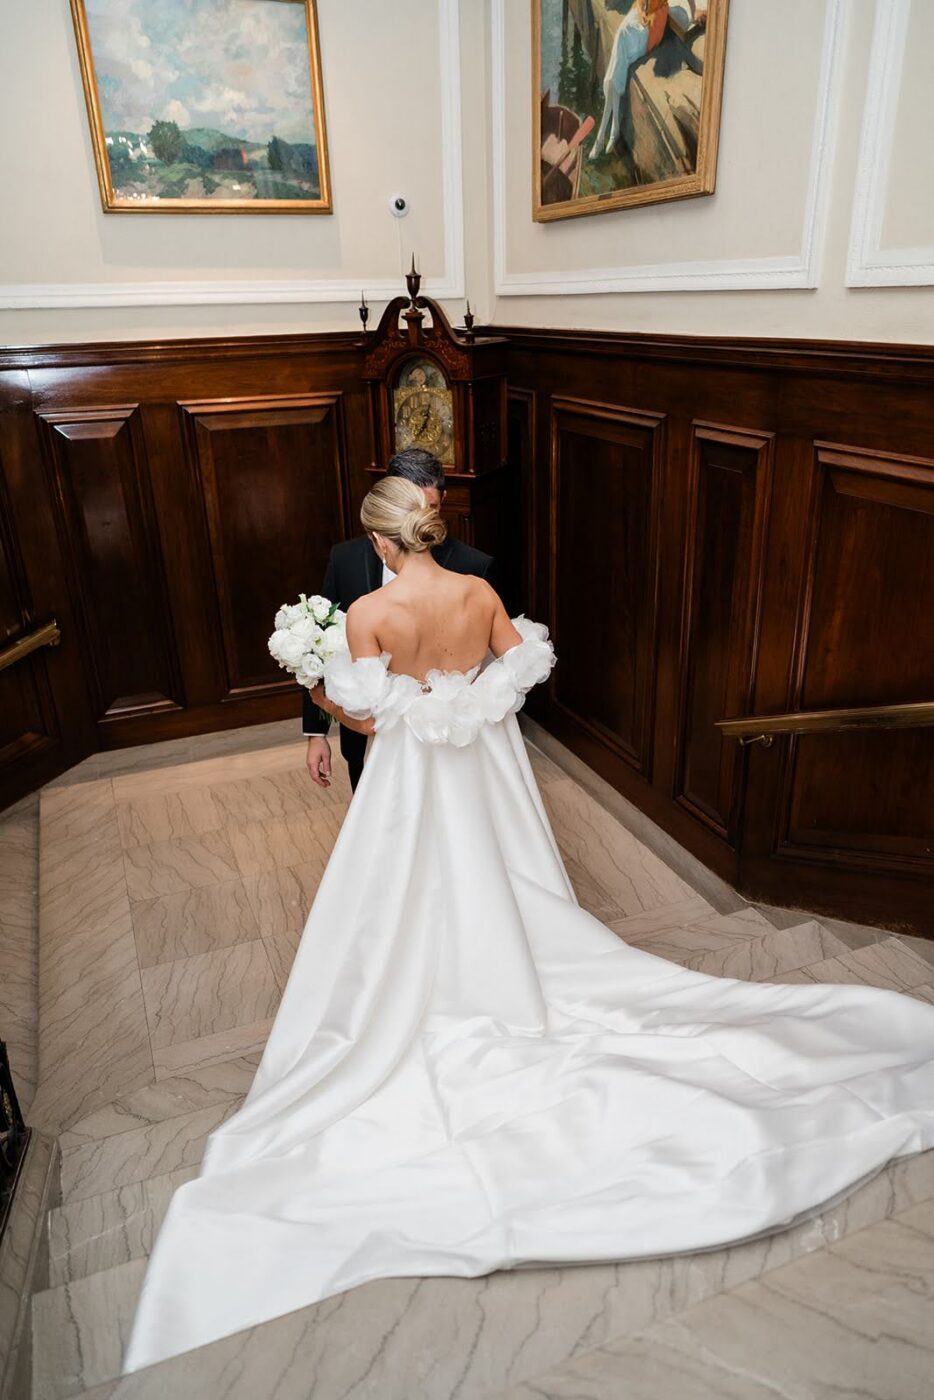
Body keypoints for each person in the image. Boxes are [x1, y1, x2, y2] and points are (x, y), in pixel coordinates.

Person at [123, 480, 934, 1373]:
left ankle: (425, 977)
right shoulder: (478, 591)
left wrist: (322, 685)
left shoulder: (369, 613)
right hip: (483, 767)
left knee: (399, 888)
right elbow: (520, 670)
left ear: (380, 544)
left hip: (410, 781)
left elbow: (369, 718)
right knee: (499, 873)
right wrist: (462, 703)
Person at [303, 447, 495, 792]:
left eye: (427, 508)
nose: (414, 523)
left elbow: (489, 668)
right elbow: (321, 646)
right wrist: (316, 732)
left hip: (453, 746)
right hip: (369, 746)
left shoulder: (473, 568)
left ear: (444, 501)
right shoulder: (346, 559)